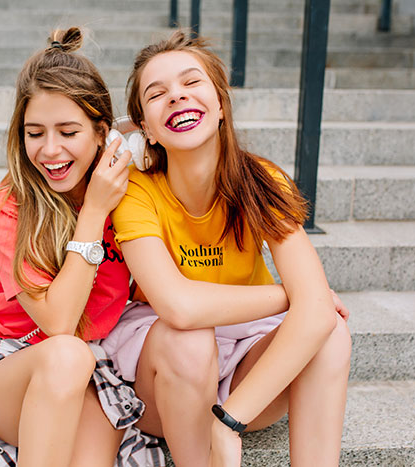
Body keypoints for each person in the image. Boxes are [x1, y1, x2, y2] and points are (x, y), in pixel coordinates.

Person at [100, 31, 352, 467]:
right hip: (165, 370)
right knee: (191, 339)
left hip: (245, 364)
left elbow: (318, 314)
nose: (177, 97)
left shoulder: (261, 180)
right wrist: (295, 294)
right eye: (156, 94)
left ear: (220, 104)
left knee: (330, 334)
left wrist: (229, 421)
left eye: (191, 83)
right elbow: (179, 307)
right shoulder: (137, 190)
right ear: (145, 129)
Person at [0, 27, 165, 467]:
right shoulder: (11, 208)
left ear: (101, 135)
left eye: (68, 131)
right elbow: (59, 323)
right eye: (35, 133)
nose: (50, 150)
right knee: (67, 354)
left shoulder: (129, 194)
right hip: (17, 367)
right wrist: (92, 213)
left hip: (97, 368)